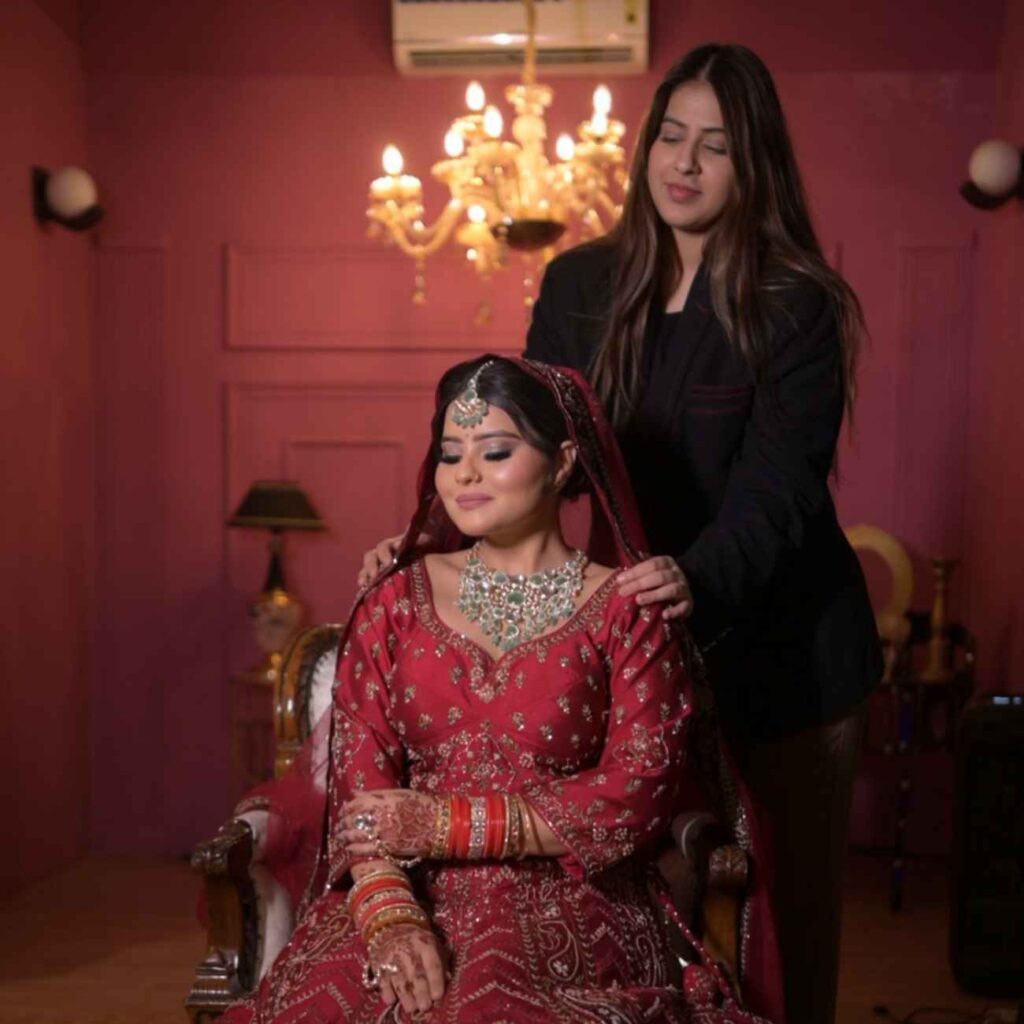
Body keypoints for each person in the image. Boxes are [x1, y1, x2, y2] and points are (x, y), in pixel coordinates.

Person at [222, 356, 782, 1024]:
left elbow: (636, 795)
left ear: (566, 460)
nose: (465, 472)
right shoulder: (396, 598)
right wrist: (389, 915)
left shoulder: (626, 608)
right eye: (449, 453)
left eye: (494, 451)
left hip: (574, 897)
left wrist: (441, 823)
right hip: (405, 889)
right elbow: (359, 791)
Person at [523, 42, 882, 1024]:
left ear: (752, 164)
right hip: (637, 647)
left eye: (713, 147)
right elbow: (526, 450)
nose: (682, 163)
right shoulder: (578, 285)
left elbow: (778, 490)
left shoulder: (797, 301)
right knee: (644, 912)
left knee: (788, 920)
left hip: (788, 654)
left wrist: (690, 577)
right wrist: (436, 544)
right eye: (670, 137)